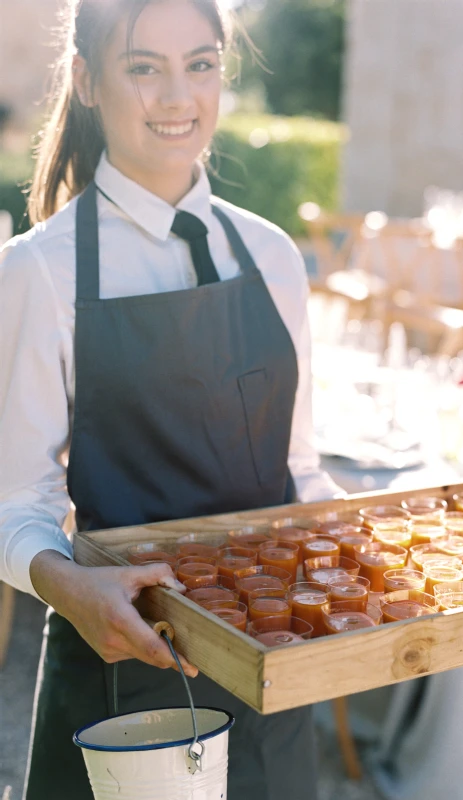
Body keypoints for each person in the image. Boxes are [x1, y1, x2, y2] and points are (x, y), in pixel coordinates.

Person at [0, 1, 343, 798]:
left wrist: (366, 547)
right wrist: (66, 584)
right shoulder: (40, 272)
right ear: (86, 81)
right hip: (123, 670)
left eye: (200, 63)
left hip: (273, 664)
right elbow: (16, 499)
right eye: (142, 67)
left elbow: (298, 469)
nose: (177, 96)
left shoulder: (272, 256)